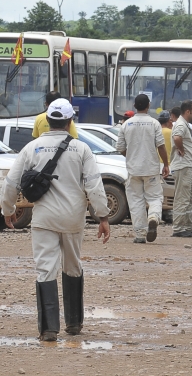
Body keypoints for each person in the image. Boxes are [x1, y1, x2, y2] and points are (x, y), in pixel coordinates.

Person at [1, 99, 110, 341]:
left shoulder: (32, 148)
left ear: (47, 121)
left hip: (44, 219)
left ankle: (49, 329)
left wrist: (8, 209)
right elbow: (94, 185)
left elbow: (11, 183)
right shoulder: (82, 149)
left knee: (45, 269)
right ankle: (74, 323)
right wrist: (103, 216)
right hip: (73, 218)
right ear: (70, 122)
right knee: (73, 266)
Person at [116, 94, 170, 244]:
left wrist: (131, 155)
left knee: (136, 201)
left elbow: (120, 148)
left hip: (133, 170)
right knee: (155, 197)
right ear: (148, 105)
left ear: (134, 106)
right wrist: (166, 164)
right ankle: (153, 217)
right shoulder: (154, 123)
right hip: (151, 169)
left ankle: (140, 234)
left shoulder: (126, 124)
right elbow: (161, 146)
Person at [170, 100, 192, 238]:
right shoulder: (180, 124)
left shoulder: (185, 124)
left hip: (188, 165)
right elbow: (177, 137)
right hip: (182, 165)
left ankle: (188, 226)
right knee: (182, 198)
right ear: (187, 111)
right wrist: (181, 149)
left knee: (190, 198)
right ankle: (178, 228)